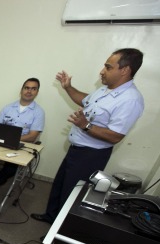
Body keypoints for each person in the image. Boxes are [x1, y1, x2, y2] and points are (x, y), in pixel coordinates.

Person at [32, 48, 144, 224]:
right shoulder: (105, 90)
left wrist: (86, 125)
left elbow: (115, 136)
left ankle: (59, 233)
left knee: (71, 194)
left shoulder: (130, 100)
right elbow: (85, 100)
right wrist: (68, 87)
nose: (102, 71)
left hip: (90, 156)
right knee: (60, 186)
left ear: (125, 70)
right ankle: (51, 216)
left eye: (108, 67)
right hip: (76, 149)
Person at [0, 78, 45, 192]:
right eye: (27, 88)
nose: (29, 91)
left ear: (37, 92)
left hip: (21, 145)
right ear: (21, 90)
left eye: (33, 89)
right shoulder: (8, 108)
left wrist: (11, 139)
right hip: (1, 143)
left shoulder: (38, 112)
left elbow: (32, 136)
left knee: (12, 167)